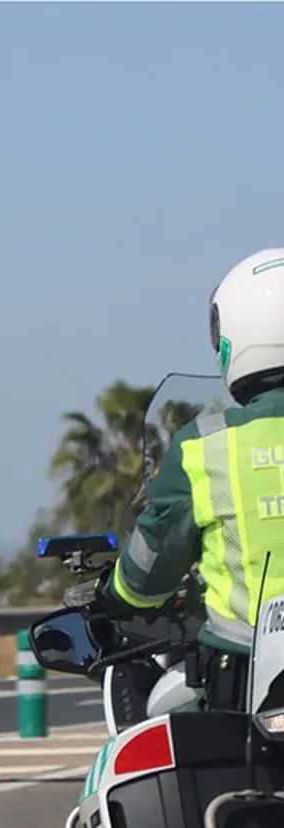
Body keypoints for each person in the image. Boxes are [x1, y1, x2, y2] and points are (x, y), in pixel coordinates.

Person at [96, 247, 284, 712]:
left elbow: (145, 577)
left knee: (164, 721)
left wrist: (113, 592)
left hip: (244, 683)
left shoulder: (204, 447)